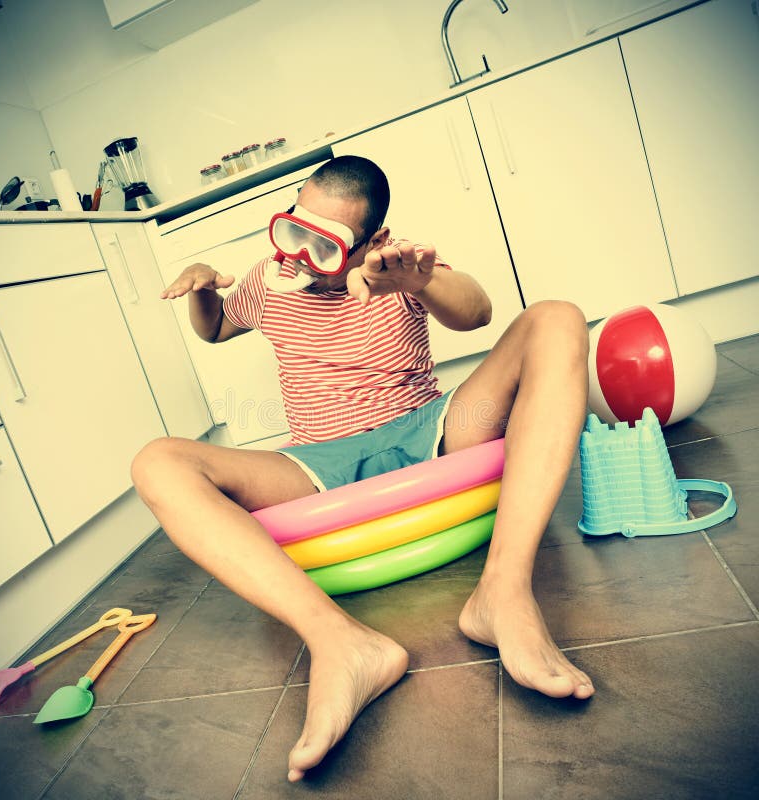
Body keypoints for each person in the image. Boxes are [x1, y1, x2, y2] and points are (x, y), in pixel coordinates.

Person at [132, 155, 594, 783]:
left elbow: (478, 313)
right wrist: (205, 288)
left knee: (558, 316)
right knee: (157, 461)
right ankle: (340, 643)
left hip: (427, 429)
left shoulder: (401, 266)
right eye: (292, 229)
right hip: (317, 461)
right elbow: (213, 331)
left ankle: (503, 593)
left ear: (369, 241)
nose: (296, 253)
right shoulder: (269, 279)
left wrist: (417, 282)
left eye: (323, 245)